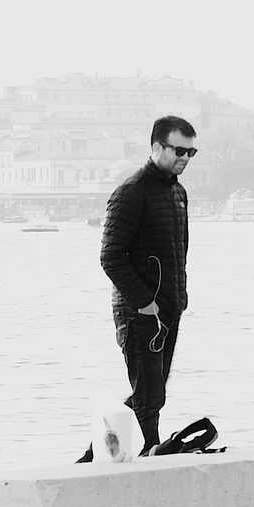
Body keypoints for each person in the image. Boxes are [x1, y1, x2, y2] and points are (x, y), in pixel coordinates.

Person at [98, 115, 196, 455]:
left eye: (191, 152)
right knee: (149, 395)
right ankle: (151, 452)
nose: (184, 158)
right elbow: (111, 257)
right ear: (157, 147)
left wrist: (179, 297)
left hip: (167, 308)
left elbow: (178, 253)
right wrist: (143, 302)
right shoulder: (131, 192)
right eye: (179, 150)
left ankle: (96, 452)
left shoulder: (177, 193)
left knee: (152, 392)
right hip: (139, 310)